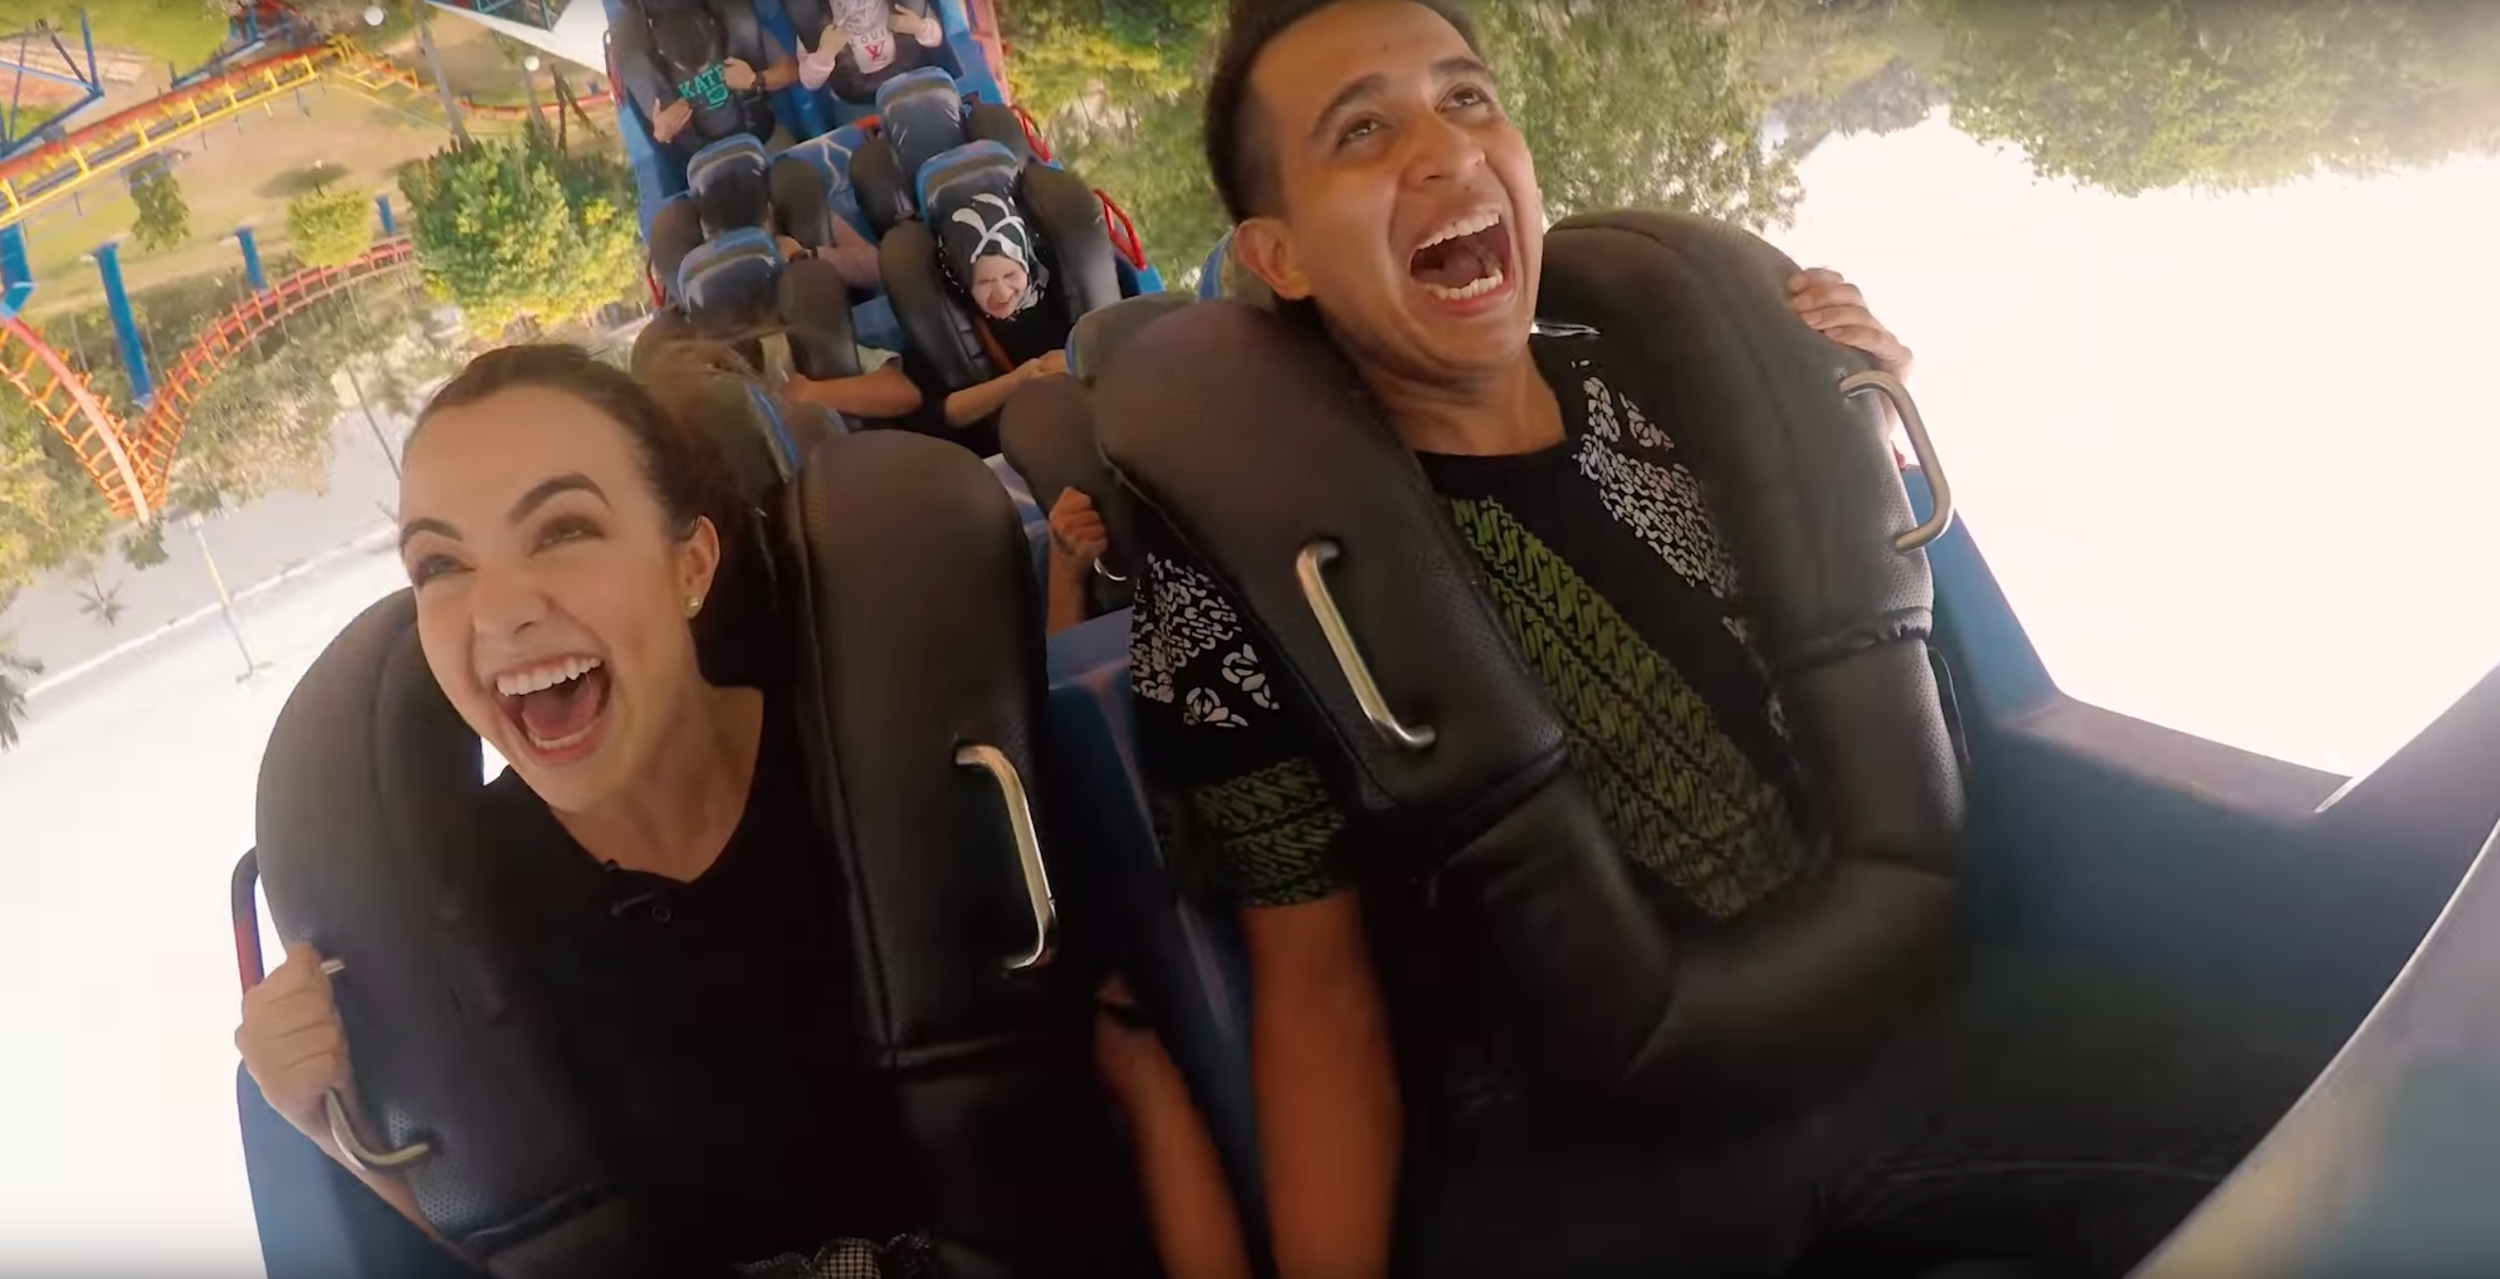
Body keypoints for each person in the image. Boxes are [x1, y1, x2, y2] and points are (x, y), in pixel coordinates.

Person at [1127, 3, 2315, 1279]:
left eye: (1466, 99)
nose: (1444, 151)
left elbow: (1879, 666)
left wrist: (1858, 421)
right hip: (1574, 1155)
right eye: (1362, 131)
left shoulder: (1682, 389)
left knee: (2331, 1117)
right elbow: (1315, 994)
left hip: (1891, 1009)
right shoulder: (1260, 573)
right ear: (1280, 255)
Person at [236, 345, 1248, 1279]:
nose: (499, 610)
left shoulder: (896, 760)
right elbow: (510, 1235)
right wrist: (334, 1128)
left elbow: (1128, 1066)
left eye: (564, 530)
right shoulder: (452, 923)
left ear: (690, 565)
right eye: (441, 565)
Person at [783, 189, 1073, 457]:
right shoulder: (946, 318)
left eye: (1010, 275)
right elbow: (939, 409)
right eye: (984, 282)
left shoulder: (1058, 292)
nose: (1001, 292)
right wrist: (1021, 379)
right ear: (961, 279)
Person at [613, 0, 799, 161]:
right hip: (705, 159)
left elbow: (793, 70)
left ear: (711, 24)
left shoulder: (731, 17)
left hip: (763, 136)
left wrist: (756, 80)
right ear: (661, 50)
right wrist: (663, 133)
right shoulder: (638, 51)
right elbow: (657, 134)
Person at [798, 0, 947, 104]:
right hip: (856, 103)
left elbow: (936, 39)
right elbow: (809, 82)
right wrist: (825, 54)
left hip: (913, 86)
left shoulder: (905, 4)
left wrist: (921, 28)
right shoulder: (815, 14)